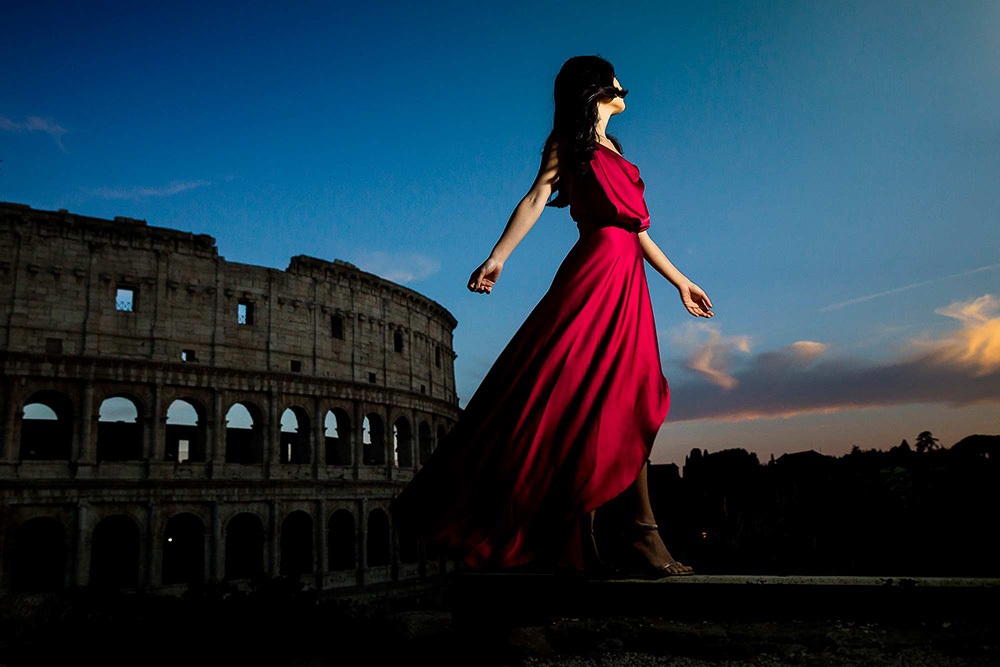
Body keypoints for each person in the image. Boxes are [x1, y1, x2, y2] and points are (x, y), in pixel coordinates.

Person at [389, 55, 713, 579]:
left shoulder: (617, 152)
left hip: (628, 281)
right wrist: (498, 256)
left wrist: (680, 281)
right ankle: (626, 538)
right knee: (570, 395)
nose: (623, 85)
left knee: (631, 395)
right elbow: (537, 197)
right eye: (612, 80)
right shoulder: (570, 145)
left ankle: (628, 536)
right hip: (593, 276)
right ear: (595, 92)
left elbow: (638, 233)